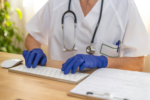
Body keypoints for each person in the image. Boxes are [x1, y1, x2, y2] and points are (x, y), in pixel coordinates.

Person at [23, 0, 150, 75]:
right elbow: (32, 37)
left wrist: (102, 61)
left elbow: (138, 63)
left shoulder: (124, 5)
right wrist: (35, 50)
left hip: (104, 90)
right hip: (59, 81)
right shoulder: (57, 2)